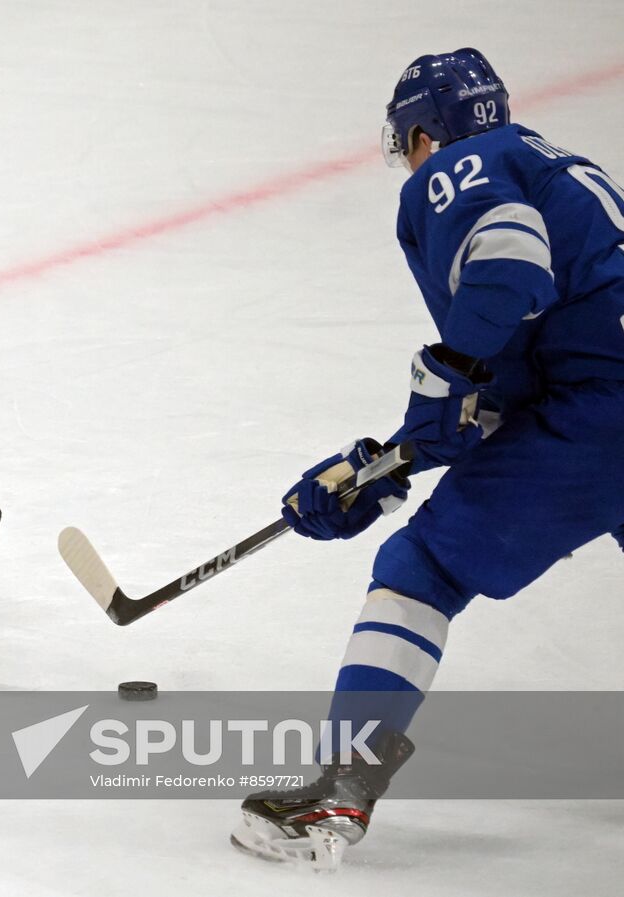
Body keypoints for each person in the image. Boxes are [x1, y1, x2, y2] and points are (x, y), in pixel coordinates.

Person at [231, 49, 624, 868]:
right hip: (595, 398)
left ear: (420, 135)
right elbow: (522, 373)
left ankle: (337, 791)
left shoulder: (457, 167)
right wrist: (391, 463)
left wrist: (446, 378)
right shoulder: (551, 164)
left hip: (603, 412)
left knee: (422, 569)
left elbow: (509, 261)